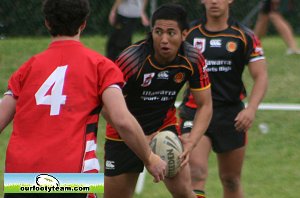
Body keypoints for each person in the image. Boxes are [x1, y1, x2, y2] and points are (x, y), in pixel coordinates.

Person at [0, 0, 166, 197]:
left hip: (23, 176)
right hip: (72, 175)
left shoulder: (26, 69)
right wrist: (149, 157)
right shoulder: (100, 67)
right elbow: (122, 120)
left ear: (47, 23)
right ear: (84, 23)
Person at [104, 3, 212, 198]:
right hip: (123, 134)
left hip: (163, 130)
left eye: (171, 33)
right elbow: (105, 105)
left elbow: (205, 105)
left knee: (185, 193)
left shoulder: (193, 58)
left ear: (184, 34)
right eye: (158, 32)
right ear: (151, 31)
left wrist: (191, 142)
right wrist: (138, 138)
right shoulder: (132, 59)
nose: (164, 39)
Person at [179, 0, 268, 197]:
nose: (213, 1)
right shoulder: (189, 34)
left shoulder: (245, 36)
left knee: (231, 179)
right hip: (195, 110)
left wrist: (251, 109)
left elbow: (261, 75)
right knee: (196, 172)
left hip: (230, 115)